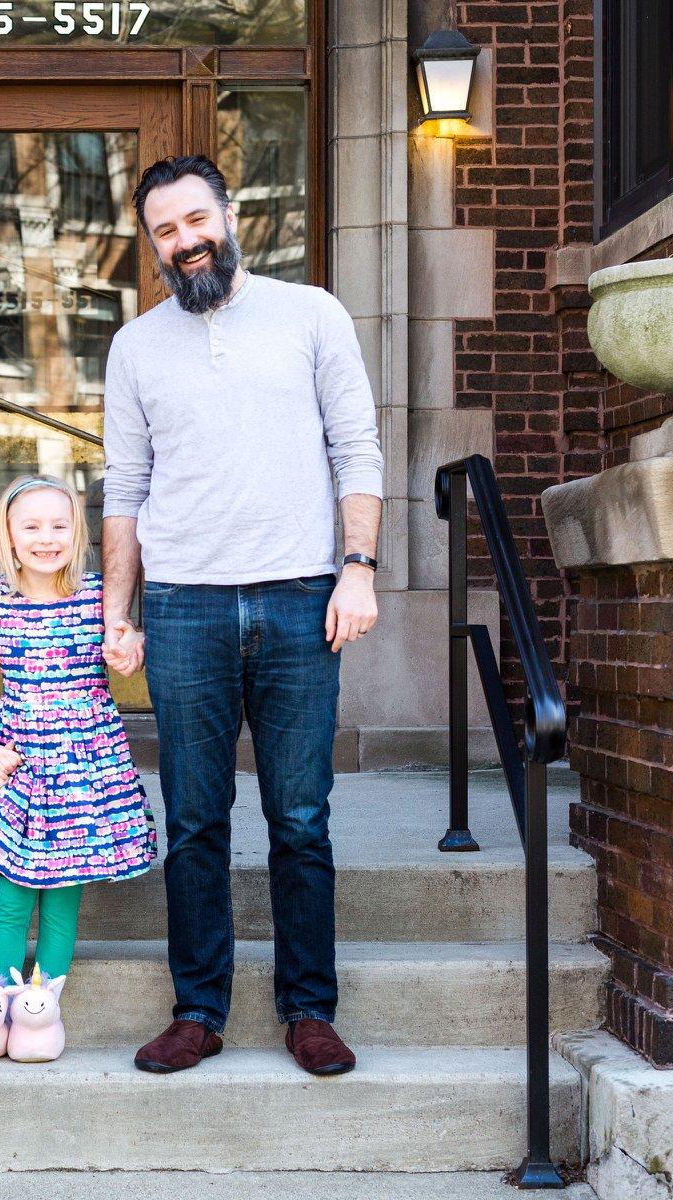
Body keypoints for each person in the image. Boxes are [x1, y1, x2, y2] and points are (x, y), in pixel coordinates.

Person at [102, 155, 383, 1077]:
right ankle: (199, 1010)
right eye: (165, 232)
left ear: (231, 213)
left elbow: (358, 448)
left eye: (195, 220)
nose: (185, 242)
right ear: (153, 247)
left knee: (300, 814)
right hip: (184, 608)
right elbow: (126, 491)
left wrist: (358, 569)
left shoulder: (312, 315)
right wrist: (120, 611)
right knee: (192, 817)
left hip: (304, 596)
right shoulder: (136, 346)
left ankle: (309, 1008)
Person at [0, 475, 157, 1060]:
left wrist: (128, 646)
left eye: (59, 526)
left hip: (87, 765)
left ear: (79, 534)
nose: (47, 538)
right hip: (23, 763)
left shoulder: (98, 595)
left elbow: (123, 660)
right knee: (14, 896)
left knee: (64, 894)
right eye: (31, 527)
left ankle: (42, 1008)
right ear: (9, 537)